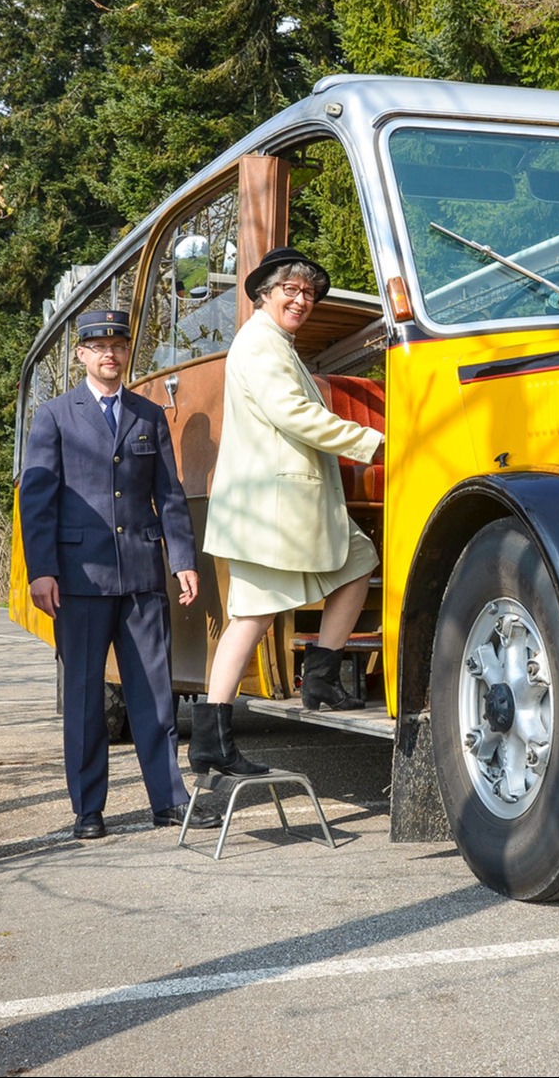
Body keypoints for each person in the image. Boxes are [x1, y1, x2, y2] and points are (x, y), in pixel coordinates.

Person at [19, 310, 220, 838]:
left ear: (128, 352)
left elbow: (170, 495)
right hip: (79, 580)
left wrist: (182, 560)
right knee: (84, 698)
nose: (109, 353)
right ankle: (88, 810)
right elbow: (36, 502)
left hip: (142, 576)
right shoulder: (55, 416)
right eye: (98, 346)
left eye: (118, 344)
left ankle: (169, 801)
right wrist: (42, 571)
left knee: (154, 695)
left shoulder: (150, 415)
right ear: (81, 355)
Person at [199, 248, 384, 774]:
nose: (301, 300)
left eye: (308, 293)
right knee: (251, 618)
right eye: (291, 290)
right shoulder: (260, 343)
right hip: (269, 509)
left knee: (358, 560)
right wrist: (374, 442)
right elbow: (293, 414)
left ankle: (320, 678)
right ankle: (212, 739)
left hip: (292, 505)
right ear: (264, 294)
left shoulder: (277, 342)